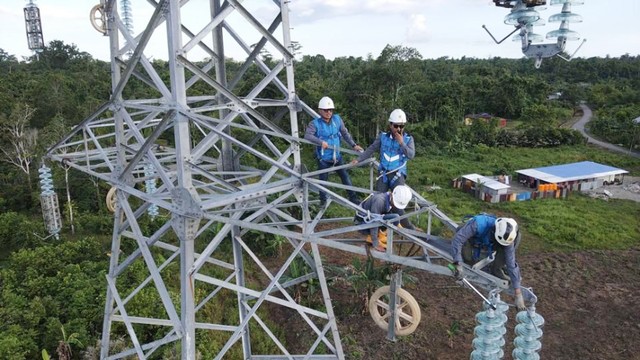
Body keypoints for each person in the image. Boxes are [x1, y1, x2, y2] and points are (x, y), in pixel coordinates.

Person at [450, 214, 526, 310]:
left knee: (505, 257)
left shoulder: (508, 239)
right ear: (494, 231)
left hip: (490, 242)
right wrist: (457, 263)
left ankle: (497, 269)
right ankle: (470, 258)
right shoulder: (478, 224)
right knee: (467, 259)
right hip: (473, 239)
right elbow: (457, 240)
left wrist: (518, 293)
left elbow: (511, 263)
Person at [305, 96, 363, 205]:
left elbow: (345, 133)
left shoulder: (337, 120)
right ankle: (323, 201)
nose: (328, 112)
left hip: (337, 156)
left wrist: (354, 145)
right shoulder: (315, 124)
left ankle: (353, 198)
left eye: (330, 110)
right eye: (326, 110)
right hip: (324, 158)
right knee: (323, 181)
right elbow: (307, 136)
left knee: (345, 176)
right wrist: (320, 142)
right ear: (320, 110)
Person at [352, 109, 415, 192]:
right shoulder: (383, 137)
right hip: (383, 173)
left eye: (401, 126)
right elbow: (371, 149)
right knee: (379, 199)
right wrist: (358, 159)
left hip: (398, 174)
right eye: (396, 126)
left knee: (398, 200)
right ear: (390, 125)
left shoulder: (408, 139)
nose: (399, 129)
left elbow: (411, 155)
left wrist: (401, 143)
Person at [354, 185, 414, 252]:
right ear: (392, 196)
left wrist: (400, 229)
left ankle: (381, 235)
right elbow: (374, 222)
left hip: (371, 219)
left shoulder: (388, 198)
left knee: (395, 217)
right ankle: (371, 238)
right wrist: (375, 243)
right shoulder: (379, 201)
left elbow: (388, 213)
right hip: (362, 223)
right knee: (391, 218)